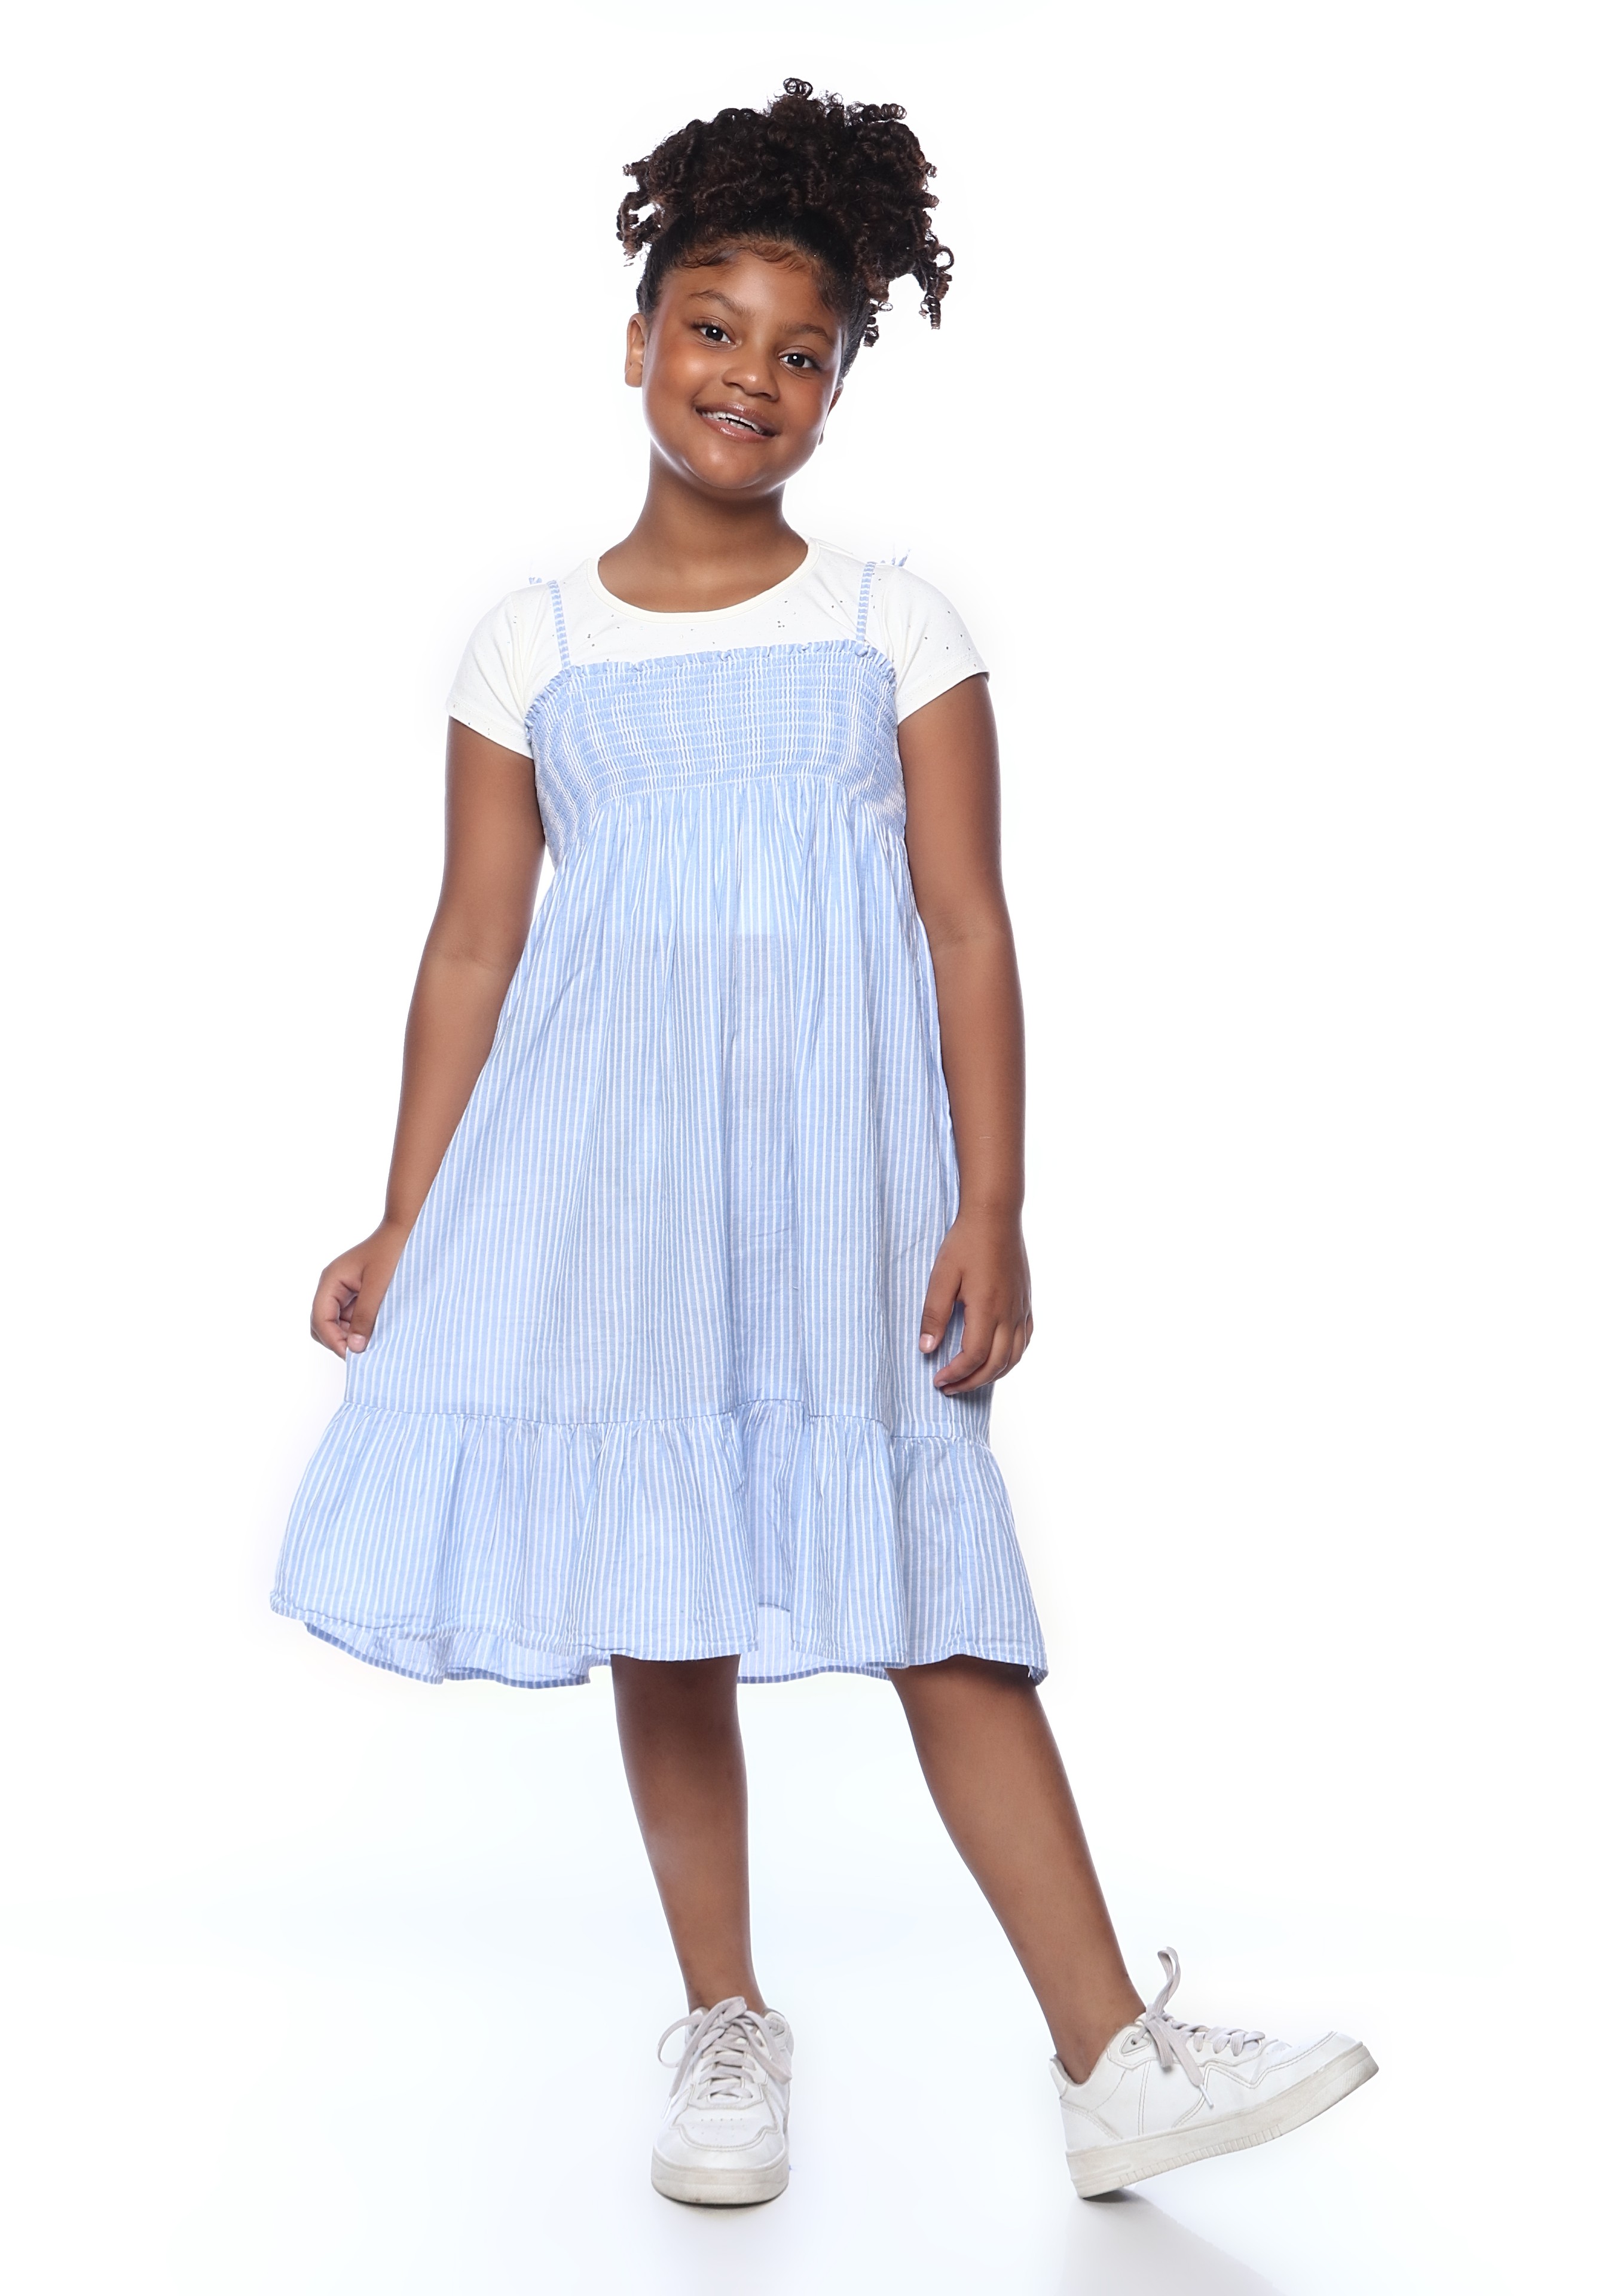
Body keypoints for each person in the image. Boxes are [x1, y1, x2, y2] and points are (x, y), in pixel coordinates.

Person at [273, 78, 1376, 2208]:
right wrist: (409, 1218)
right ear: (635, 339)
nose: (746, 377)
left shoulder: (891, 628)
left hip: (844, 1200)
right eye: (711, 329)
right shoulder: (534, 645)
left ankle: (1108, 2053)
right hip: (610, 1196)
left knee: (936, 1594)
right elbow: (474, 947)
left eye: (800, 351)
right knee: (664, 1590)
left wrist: (993, 1199)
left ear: (842, 383)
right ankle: (726, 2023)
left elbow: (966, 925)